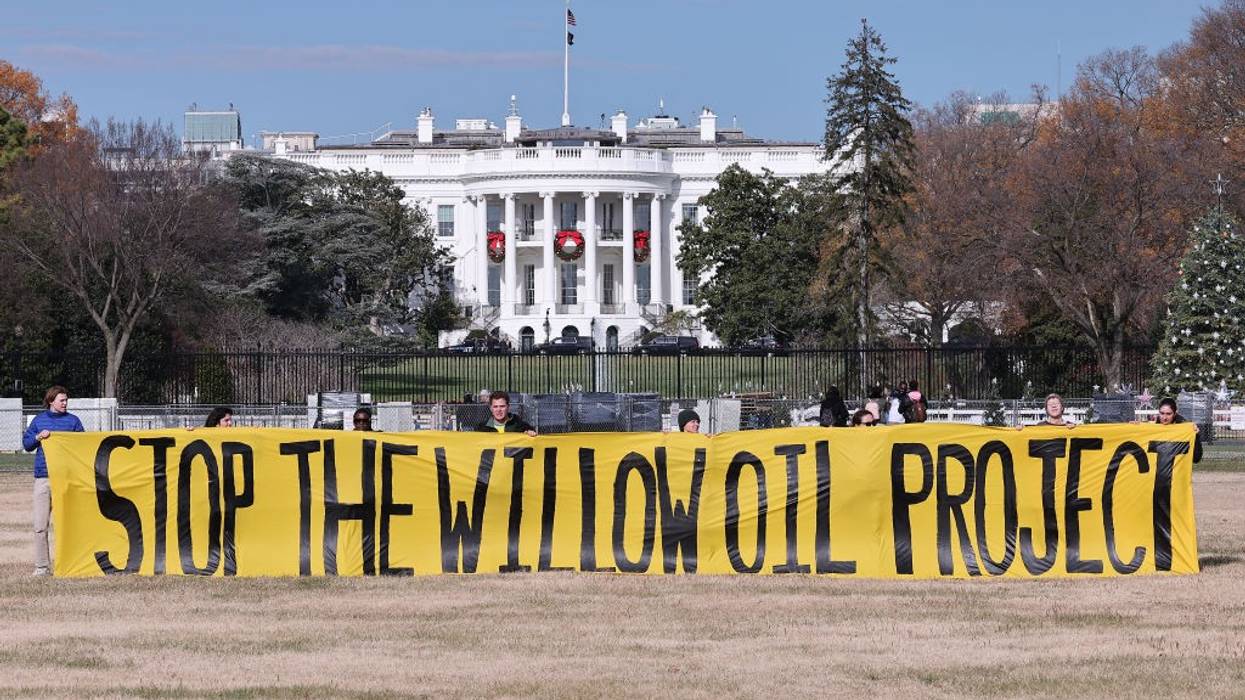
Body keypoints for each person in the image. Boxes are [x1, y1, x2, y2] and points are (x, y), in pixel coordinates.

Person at [22, 385, 85, 576]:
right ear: (51, 401)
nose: (65, 403)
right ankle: (42, 567)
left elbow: (82, 446)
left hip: (67, 479)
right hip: (43, 478)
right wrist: (38, 437)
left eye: (66, 400)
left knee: (67, 525)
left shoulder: (73, 421)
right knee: (40, 526)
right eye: (62, 400)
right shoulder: (39, 421)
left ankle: (69, 565)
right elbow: (26, 445)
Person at [1155, 397, 1202, 463]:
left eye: (1168, 414)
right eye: (1162, 413)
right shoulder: (1154, 427)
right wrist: (1136, 428)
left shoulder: (1184, 428)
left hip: (1177, 471)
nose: (1164, 418)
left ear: (1175, 413)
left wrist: (1196, 436)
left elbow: (1196, 458)